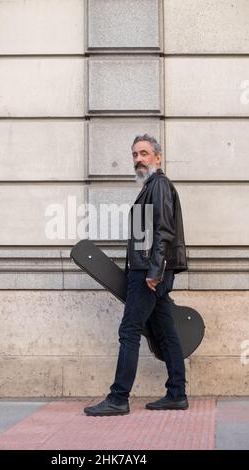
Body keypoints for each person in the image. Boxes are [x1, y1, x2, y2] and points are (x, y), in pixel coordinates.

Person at [84, 134, 188, 416]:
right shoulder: (150, 187)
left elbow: (164, 231)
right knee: (166, 333)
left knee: (129, 331)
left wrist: (154, 273)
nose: (138, 159)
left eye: (144, 153)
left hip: (148, 275)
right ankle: (177, 393)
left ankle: (118, 398)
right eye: (134, 155)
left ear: (157, 157)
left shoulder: (160, 186)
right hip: (147, 272)